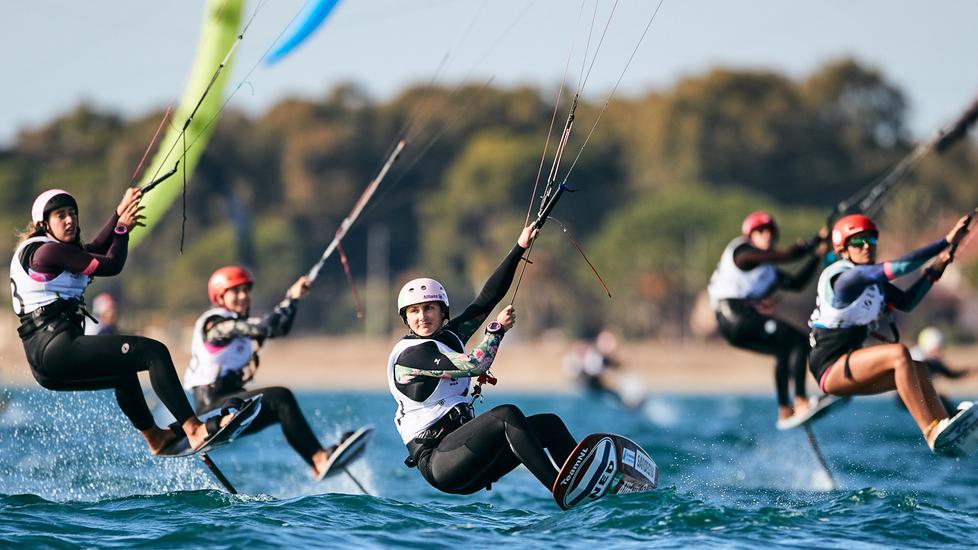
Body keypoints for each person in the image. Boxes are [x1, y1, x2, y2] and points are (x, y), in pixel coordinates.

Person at [9, 188, 230, 454]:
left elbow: (96, 248)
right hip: (56, 347)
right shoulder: (47, 253)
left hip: (45, 363)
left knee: (124, 373)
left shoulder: (50, 254)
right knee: (153, 352)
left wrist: (118, 212)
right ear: (43, 224)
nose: (70, 220)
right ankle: (193, 428)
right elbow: (111, 263)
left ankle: (156, 439)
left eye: (72, 213)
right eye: (60, 215)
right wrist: (122, 229)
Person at [388, 225, 579, 496]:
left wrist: (520, 247)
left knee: (551, 425)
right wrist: (496, 330)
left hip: (472, 458)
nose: (422, 317)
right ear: (405, 318)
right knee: (507, 415)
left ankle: (585, 485)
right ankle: (562, 491)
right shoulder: (412, 355)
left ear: (442, 312)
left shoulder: (449, 336)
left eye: (429, 308)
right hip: (441, 464)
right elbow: (475, 365)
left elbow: (487, 299)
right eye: (414, 311)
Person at [808, 213, 978, 456]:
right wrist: (946, 240)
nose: (866, 246)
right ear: (844, 251)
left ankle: (944, 428)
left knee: (918, 369)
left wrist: (937, 268)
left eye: (870, 241)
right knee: (899, 354)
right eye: (858, 242)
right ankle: (929, 431)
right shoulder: (844, 279)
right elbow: (898, 267)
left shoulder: (873, 285)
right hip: (830, 368)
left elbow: (907, 303)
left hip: (850, 364)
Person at [183, 266, 353, 478]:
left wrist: (294, 299)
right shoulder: (215, 325)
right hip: (213, 406)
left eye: (246, 290)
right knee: (281, 397)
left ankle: (317, 461)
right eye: (235, 291)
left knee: (282, 407)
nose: (243, 296)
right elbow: (265, 328)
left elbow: (278, 328)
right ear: (220, 296)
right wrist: (289, 298)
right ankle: (318, 458)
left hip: (233, 403)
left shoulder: (241, 327)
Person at [707, 211, 828, 424]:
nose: (767, 235)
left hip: (736, 326)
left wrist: (817, 255)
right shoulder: (742, 252)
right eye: (761, 231)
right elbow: (788, 256)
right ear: (750, 235)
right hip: (734, 317)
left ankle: (785, 409)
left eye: (771, 232)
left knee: (785, 349)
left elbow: (798, 283)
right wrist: (814, 241)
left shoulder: (769, 271)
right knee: (799, 340)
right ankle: (800, 400)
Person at [907, 327, 975, 413]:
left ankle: (950, 419)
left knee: (940, 398)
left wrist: (969, 371)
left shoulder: (932, 359)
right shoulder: (916, 358)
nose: (940, 353)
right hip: (907, 396)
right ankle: (945, 420)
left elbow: (950, 374)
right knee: (938, 399)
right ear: (928, 347)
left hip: (921, 394)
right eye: (937, 349)